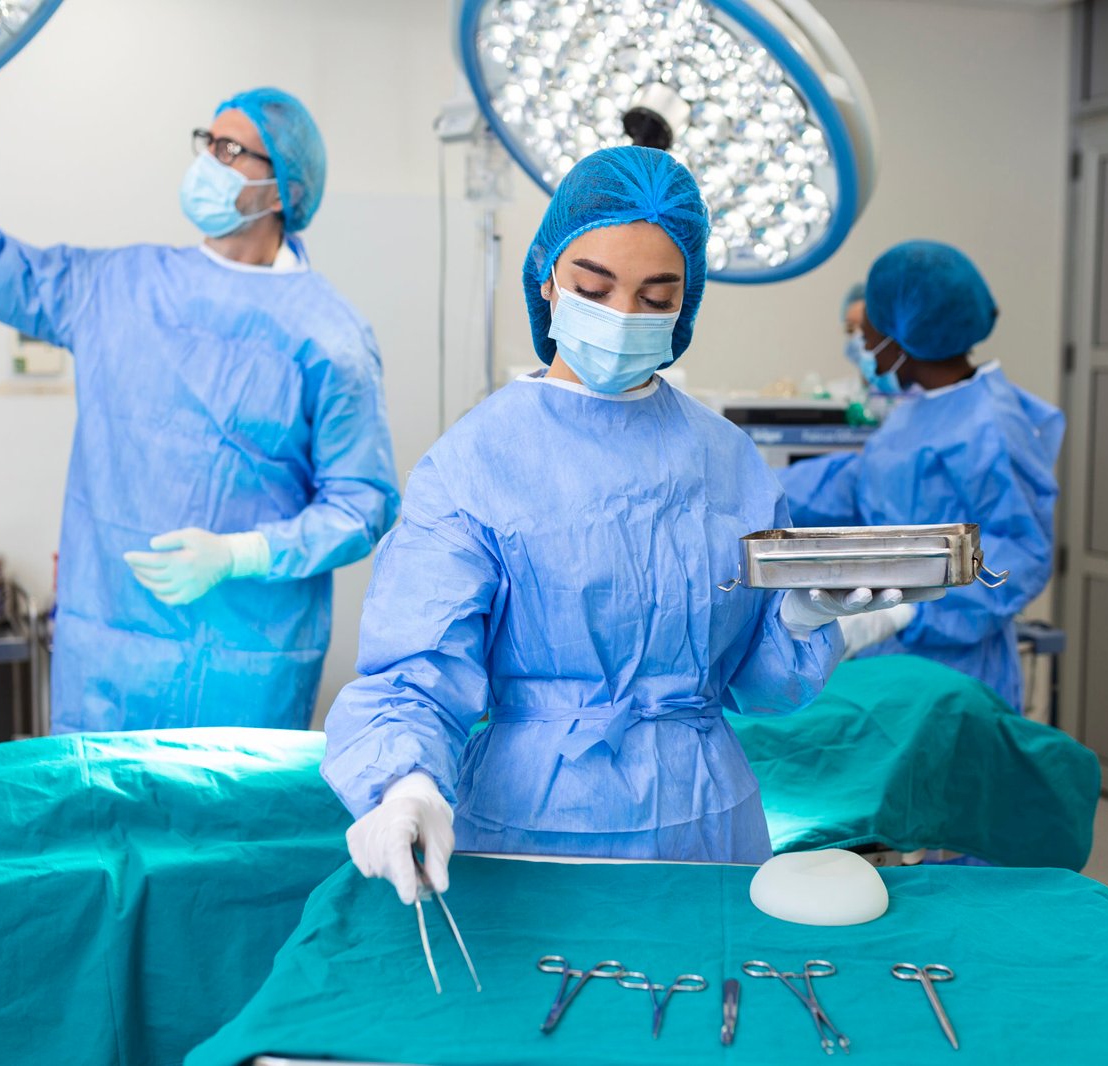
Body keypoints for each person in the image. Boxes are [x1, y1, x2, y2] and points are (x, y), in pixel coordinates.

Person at [320, 147, 908, 903]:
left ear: (685, 307)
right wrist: (403, 783)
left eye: (655, 297)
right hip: (534, 834)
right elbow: (416, 673)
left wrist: (800, 617)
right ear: (548, 279)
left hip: (707, 823)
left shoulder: (727, 459)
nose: (623, 316)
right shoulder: (476, 462)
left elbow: (759, 685)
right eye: (594, 288)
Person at [0, 89, 399, 732]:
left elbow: (363, 504)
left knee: (225, 831)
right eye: (206, 143)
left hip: (245, 673)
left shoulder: (329, 336)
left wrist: (241, 553)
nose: (209, 161)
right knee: (99, 823)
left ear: (281, 190)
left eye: (231, 150)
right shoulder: (116, 288)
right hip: (105, 669)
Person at [779, 241, 1064, 711]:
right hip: (897, 665)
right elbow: (860, 482)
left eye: (868, 335)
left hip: (957, 675)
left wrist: (911, 610)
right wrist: (749, 480)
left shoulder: (988, 425)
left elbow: (1021, 553)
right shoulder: (922, 411)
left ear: (903, 338)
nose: (864, 348)